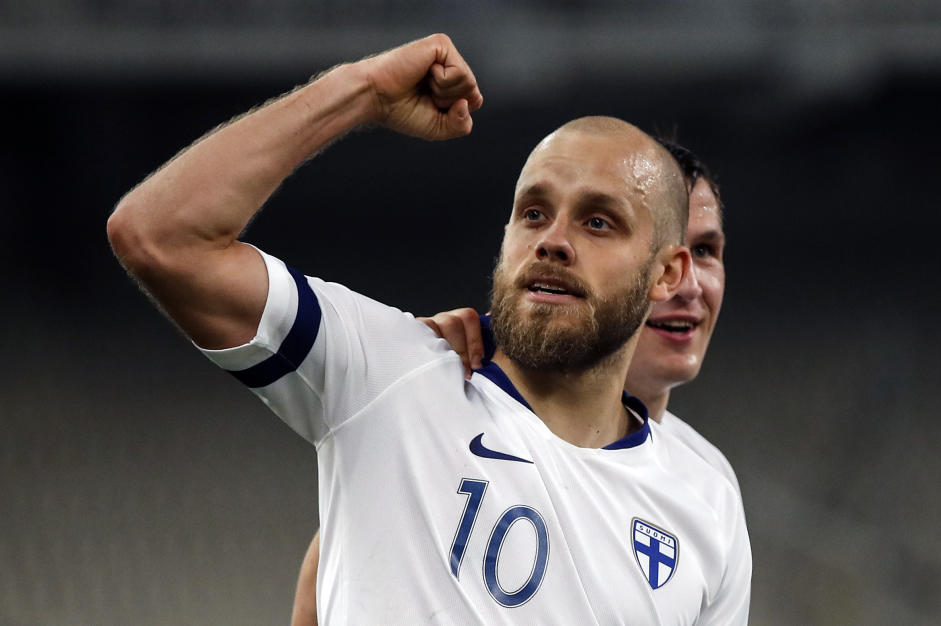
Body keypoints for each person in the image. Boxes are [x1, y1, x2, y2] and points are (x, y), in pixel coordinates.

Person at [108, 34, 750, 624]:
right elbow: (159, 235)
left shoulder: (706, 503)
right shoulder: (394, 373)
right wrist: (359, 90)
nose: (552, 241)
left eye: (598, 222)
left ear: (669, 274)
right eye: (533, 212)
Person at [289, 141, 746, 625]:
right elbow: (343, 567)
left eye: (706, 251)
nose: (689, 285)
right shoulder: (448, 390)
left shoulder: (708, 487)